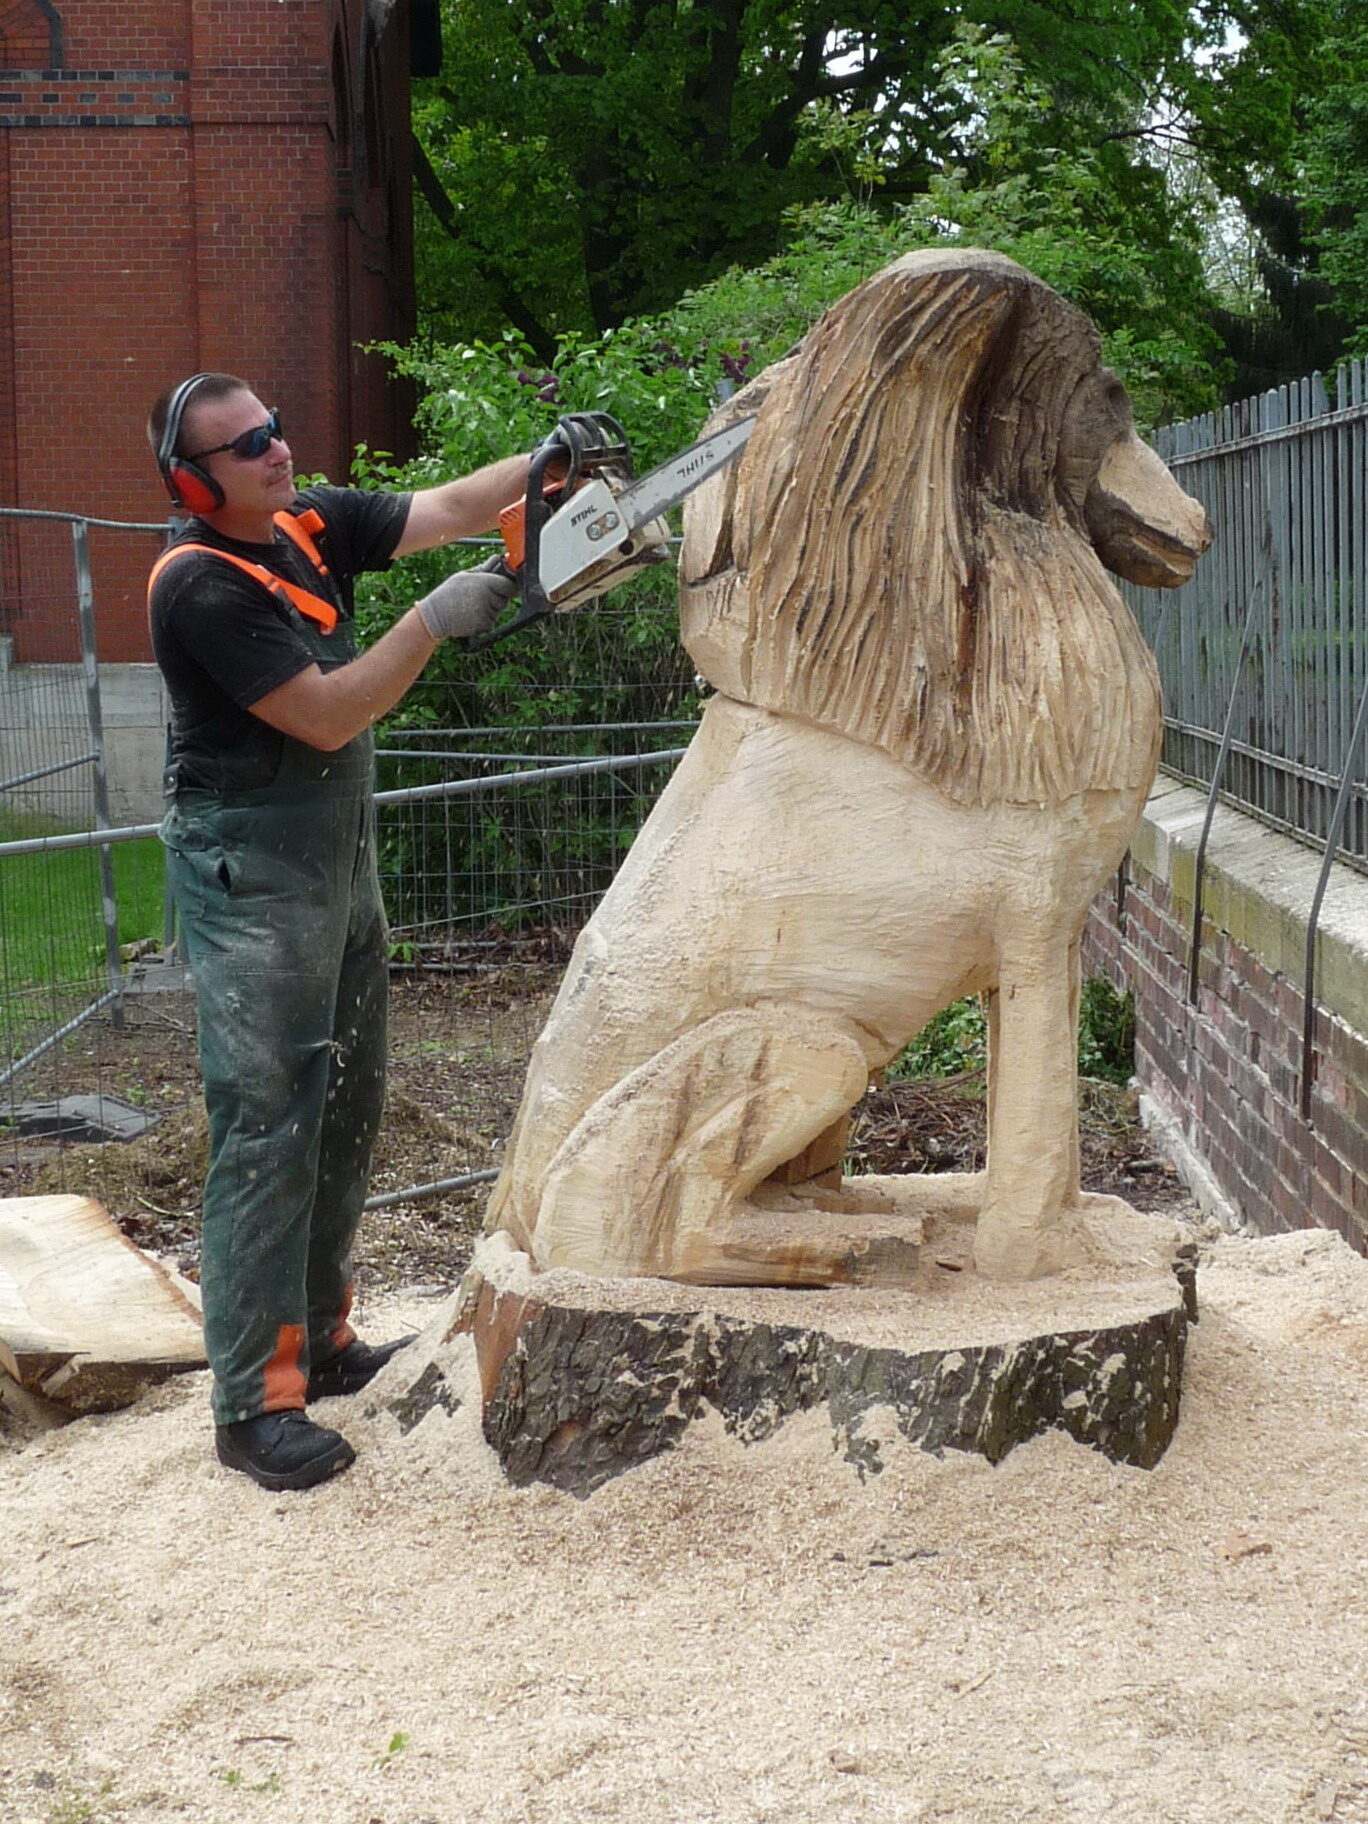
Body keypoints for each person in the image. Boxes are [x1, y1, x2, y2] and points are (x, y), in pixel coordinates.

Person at [145, 371, 527, 1493]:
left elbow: (454, 504)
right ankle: (250, 1405)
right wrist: (430, 619)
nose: (276, 450)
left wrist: (550, 465)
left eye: (272, 429)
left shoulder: (307, 523)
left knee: (351, 1097)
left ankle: (321, 1338)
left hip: (335, 866)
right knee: (268, 1124)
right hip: (249, 873)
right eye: (246, 444)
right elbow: (329, 712)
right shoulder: (199, 587)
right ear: (191, 480)